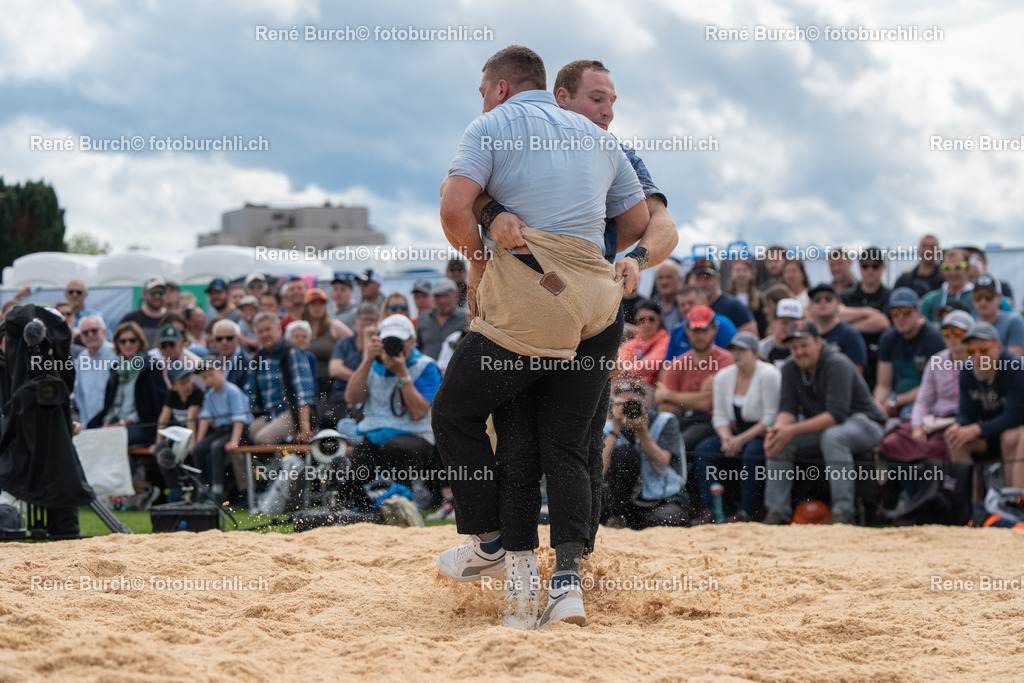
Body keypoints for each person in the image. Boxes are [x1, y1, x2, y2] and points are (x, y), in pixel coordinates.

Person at [433, 46, 658, 630]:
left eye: (483, 91)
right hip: (598, 304)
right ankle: (566, 584)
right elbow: (639, 225)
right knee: (565, 444)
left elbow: (453, 205)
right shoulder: (601, 142)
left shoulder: (492, 124)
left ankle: (492, 544)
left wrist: (480, 252)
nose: (481, 101)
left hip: (535, 299)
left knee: (460, 414)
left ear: (501, 88)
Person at [763, 322, 886, 525]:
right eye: (794, 348)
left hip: (867, 423)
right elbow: (787, 410)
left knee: (834, 437)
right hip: (829, 426)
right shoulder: (789, 368)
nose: (799, 352)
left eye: (804, 345)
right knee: (780, 441)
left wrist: (791, 430)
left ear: (818, 342)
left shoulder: (837, 363)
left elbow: (836, 415)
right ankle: (776, 512)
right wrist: (778, 430)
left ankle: (842, 513)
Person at [339, 314, 443, 506]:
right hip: (376, 439)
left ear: (412, 341)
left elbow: (419, 412)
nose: (395, 347)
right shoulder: (373, 364)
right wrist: (367, 359)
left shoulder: (425, 366)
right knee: (350, 470)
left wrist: (402, 373)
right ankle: (357, 506)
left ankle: (404, 503)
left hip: (416, 439)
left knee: (393, 447)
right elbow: (352, 398)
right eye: (388, 341)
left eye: (400, 342)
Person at [693, 332, 781, 523]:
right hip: (733, 432)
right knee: (704, 450)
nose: (736, 354)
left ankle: (746, 511)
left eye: (742, 350)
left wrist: (739, 440)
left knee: (752, 452)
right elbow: (720, 416)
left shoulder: (769, 374)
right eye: (733, 350)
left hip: (761, 433)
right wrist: (726, 438)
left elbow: (770, 418)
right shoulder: (723, 376)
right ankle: (710, 508)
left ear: (755, 352)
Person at [876, 311, 972, 484]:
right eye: (946, 332)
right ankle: (912, 497)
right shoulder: (936, 360)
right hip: (931, 420)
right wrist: (917, 426)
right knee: (890, 443)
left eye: (958, 332)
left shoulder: (978, 362)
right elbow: (923, 400)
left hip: (958, 422)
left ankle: (940, 499)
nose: (952, 337)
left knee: (933, 451)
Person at [87, 321, 167, 509]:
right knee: (90, 436)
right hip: (116, 422)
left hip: (144, 424)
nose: (128, 344)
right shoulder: (116, 367)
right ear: (118, 344)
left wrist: (125, 422)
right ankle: (109, 493)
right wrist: (107, 420)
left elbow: (158, 402)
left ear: (140, 342)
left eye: (132, 340)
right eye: (123, 341)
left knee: (115, 438)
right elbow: (111, 402)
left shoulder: (150, 366)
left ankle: (141, 485)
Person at [946, 322, 1024, 490]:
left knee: (1010, 437)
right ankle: (970, 507)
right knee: (955, 439)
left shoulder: (1015, 367)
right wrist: (959, 426)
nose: (977, 357)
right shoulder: (967, 370)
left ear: (999, 348)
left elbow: (1014, 417)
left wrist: (977, 429)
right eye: (971, 351)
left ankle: (1014, 503)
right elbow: (966, 413)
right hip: (989, 433)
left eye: (983, 350)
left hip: (1014, 431)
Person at [601, 378, 686, 530]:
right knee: (624, 453)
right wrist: (616, 427)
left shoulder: (664, 421)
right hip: (623, 504)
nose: (628, 407)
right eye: (621, 403)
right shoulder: (608, 428)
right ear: (613, 404)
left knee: (663, 520)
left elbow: (662, 463)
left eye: (633, 402)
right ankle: (618, 516)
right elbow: (600, 470)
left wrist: (642, 431)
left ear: (645, 401)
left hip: (662, 498)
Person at [654, 305, 733, 455]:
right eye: (696, 330)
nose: (700, 336)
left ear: (714, 329)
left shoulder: (726, 361)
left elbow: (708, 402)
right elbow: (663, 407)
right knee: (655, 439)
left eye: (704, 330)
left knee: (679, 446)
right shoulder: (679, 362)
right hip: (681, 419)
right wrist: (696, 401)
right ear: (687, 330)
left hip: (710, 422)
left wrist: (670, 395)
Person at [873, 288, 946, 421]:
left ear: (918, 311)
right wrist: (878, 405)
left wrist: (896, 400)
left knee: (907, 417)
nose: (900, 317)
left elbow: (935, 385)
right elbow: (883, 384)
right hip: (896, 400)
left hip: (926, 401)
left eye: (906, 311)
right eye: (895, 312)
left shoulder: (933, 338)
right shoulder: (888, 338)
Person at [248, 312, 316, 446]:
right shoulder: (257, 358)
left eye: (268, 329)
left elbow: (304, 393)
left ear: (278, 329)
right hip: (267, 414)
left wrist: (304, 427)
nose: (265, 334)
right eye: (260, 331)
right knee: (242, 436)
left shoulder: (292, 352)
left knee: (263, 439)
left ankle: (281, 467)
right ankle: (251, 468)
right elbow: (250, 394)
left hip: (291, 413)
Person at [193, 361, 253, 504]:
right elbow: (205, 418)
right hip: (221, 431)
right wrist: (198, 440)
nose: (208, 380)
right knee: (198, 449)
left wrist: (234, 441)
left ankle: (218, 490)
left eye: (211, 375)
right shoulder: (210, 394)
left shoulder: (233, 391)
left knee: (216, 447)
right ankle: (203, 487)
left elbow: (239, 418)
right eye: (204, 377)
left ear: (221, 371)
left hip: (238, 431)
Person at [840, 247, 893, 389]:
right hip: (849, 357)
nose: (870, 270)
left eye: (875, 266)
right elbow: (837, 315)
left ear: (883, 267)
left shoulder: (890, 296)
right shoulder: (846, 295)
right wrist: (868, 312)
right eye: (865, 266)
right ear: (859, 267)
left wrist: (850, 323)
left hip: (880, 359)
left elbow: (883, 323)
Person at [153, 364, 203, 501]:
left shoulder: (196, 392)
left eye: (188, 381)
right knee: (159, 450)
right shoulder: (172, 395)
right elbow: (163, 418)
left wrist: (192, 442)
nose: (187, 386)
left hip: (194, 436)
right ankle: (174, 488)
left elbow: (191, 418)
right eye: (182, 383)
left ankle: (197, 490)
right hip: (178, 437)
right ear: (174, 386)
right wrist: (158, 440)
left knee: (191, 454)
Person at [302, 287, 353, 406]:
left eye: (321, 304)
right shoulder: (301, 328)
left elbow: (354, 343)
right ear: (306, 307)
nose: (317, 307)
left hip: (329, 382)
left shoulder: (334, 326)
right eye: (313, 304)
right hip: (307, 381)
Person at [328, 303, 380, 416]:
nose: (368, 323)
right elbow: (335, 369)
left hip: (367, 400)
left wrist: (367, 339)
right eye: (365, 319)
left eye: (372, 320)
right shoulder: (344, 342)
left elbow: (370, 366)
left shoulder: (379, 346)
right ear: (356, 322)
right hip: (340, 397)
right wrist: (359, 379)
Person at [663, 285, 736, 364]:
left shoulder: (723, 325)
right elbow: (667, 365)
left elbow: (733, 360)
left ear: (705, 302)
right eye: (682, 305)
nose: (686, 308)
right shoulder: (678, 330)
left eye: (691, 303)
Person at [688, 258, 757, 335]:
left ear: (718, 279)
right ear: (691, 281)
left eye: (707, 279)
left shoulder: (735, 306)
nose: (703, 283)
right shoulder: (687, 306)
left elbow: (751, 340)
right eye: (698, 279)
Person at [808, 283, 867, 373]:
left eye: (828, 298)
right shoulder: (806, 334)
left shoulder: (850, 335)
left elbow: (856, 374)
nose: (822, 302)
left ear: (838, 304)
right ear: (811, 305)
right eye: (817, 299)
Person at [72, 314, 117, 427]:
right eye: (85, 333)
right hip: (89, 423)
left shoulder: (116, 353)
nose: (90, 335)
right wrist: (85, 422)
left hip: (111, 423)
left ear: (104, 332)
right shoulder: (82, 358)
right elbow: (79, 394)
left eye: (94, 331)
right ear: (81, 337)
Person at [617, 299, 669, 387]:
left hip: (652, 390)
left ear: (660, 319)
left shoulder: (666, 340)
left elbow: (651, 364)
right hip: (629, 388)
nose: (647, 323)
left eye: (651, 319)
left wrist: (625, 370)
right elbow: (621, 364)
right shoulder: (630, 344)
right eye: (642, 319)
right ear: (637, 321)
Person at [970, 275, 1024, 357]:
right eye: (977, 297)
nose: (983, 302)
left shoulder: (1014, 322)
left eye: (989, 297)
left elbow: (1015, 359)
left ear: (999, 297)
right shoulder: (971, 326)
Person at [415, 278, 465, 360]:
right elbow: (418, 348)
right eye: (438, 296)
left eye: (446, 296)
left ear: (456, 296)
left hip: (455, 370)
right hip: (429, 370)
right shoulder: (423, 319)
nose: (442, 300)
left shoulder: (465, 318)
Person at [119, 276, 168, 347]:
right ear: (144, 294)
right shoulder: (131, 318)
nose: (157, 296)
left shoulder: (172, 318)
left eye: (161, 292)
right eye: (152, 292)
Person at [725, 258, 766, 337]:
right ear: (732, 273)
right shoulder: (726, 298)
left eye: (745, 270)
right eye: (738, 270)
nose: (741, 274)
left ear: (751, 273)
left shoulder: (760, 298)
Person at [209, 318, 253, 392]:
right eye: (219, 338)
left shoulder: (248, 363)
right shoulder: (211, 361)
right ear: (214, 341)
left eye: (229, 338)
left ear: (238, 339)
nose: (224, 342)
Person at [759, 297, 803, 369]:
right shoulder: (762, 349)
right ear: (774, 322)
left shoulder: (804, 349)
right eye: (784, 323)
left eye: (794, 324)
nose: (789, 328)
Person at [651, 261, 682, 332]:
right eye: (660, 278)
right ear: (655, 281)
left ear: (680, 279)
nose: (664, 282)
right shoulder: (651, 304)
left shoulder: (686, 303)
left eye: (669, 277)